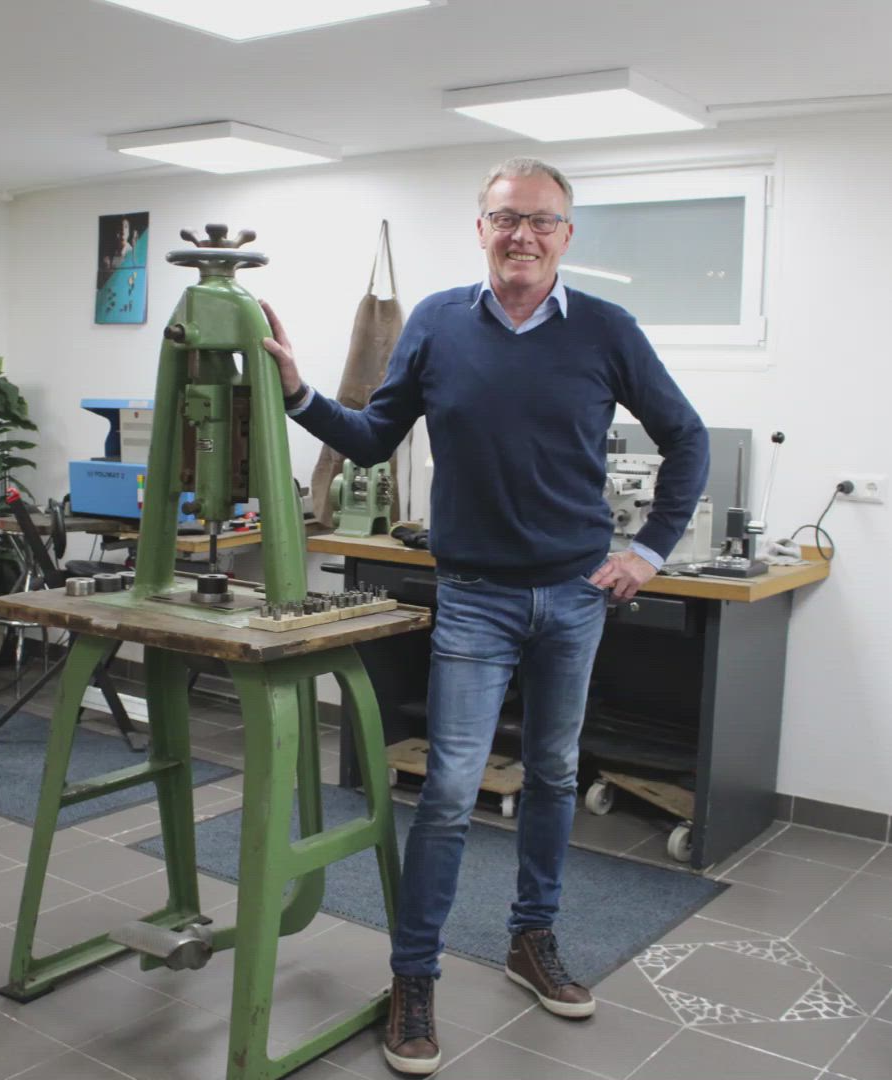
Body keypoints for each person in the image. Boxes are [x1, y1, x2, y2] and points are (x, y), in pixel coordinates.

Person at [260, 156, 709, 1076]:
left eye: (541, 221)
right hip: (474, 596)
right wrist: (301, 394)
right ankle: (414, 978)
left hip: (577, 595)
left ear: (566, 236)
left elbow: (687, 437)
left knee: (552, 773)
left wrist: (650, 552)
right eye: (507, 218)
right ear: (481, 229)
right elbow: (373, 438)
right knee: (451, 792)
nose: (523, 235)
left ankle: (530, 940)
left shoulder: (607, 330)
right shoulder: (435, 322)